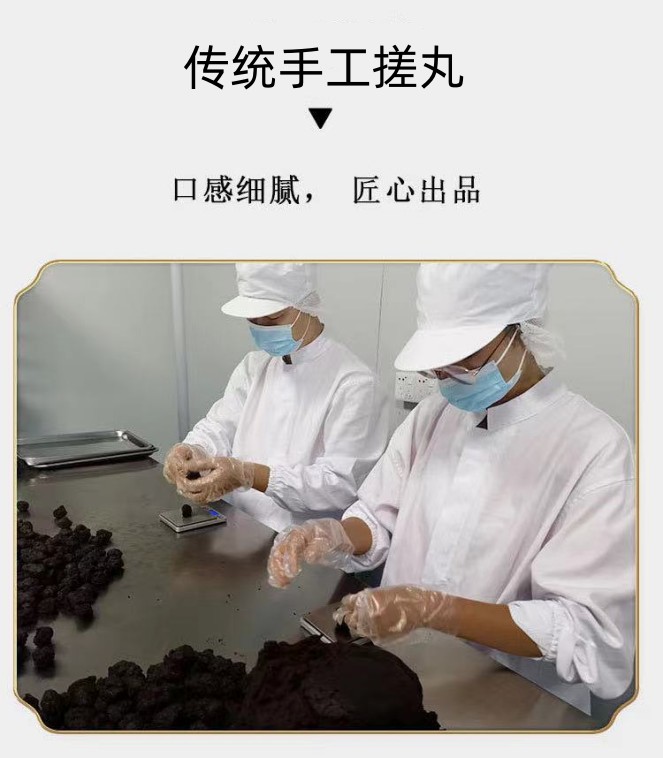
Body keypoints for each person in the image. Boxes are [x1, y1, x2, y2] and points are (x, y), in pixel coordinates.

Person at [267, 263, 635, 714]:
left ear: (521, 332)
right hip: (398, 672)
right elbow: (379, 515)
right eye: (439, 361)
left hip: (510, 701)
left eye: (465, 356)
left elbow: (588, 633)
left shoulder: (597, 449)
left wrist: (436, 610)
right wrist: (335, 534)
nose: (444, 373)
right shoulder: (433, 416)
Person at [163, 263, 390, 532]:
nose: (262, 327)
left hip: (304, 543)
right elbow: (219, 427)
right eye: (254, 319)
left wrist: (250, 475)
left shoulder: (355, 384)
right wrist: (193, 450)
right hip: (238, 529)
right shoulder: (254, 366)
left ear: (306, 304)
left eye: (272, 317)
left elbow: (340, 485)